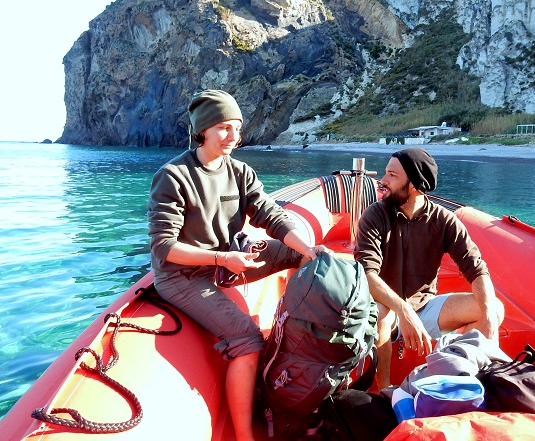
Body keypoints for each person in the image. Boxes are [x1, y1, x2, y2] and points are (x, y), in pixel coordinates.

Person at [147, 89, 328, 441]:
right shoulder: (173, 176)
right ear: (203, 130)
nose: (233, 137)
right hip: (183, 275)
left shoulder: (240, 172)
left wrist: (307, 248)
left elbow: (270, 214)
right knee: (247, 338)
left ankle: (297, 329)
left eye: (237, 128)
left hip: (230, 260)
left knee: (299, 255)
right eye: (224, 128)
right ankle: (245, 436)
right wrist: (221, 258)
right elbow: (164, 247)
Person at [353, 147, 504, 389]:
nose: (383, 181)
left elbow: (476, 269)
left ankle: (454, 377)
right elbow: (367, 273)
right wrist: (403, 310)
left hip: (423, 309)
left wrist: (487, 318)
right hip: (385, 308)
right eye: (385, 173)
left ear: (413, 185)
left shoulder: (443, 220)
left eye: (392, 175)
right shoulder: (375, 215)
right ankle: (385, 390)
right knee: (381, 312)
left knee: (493, 308)